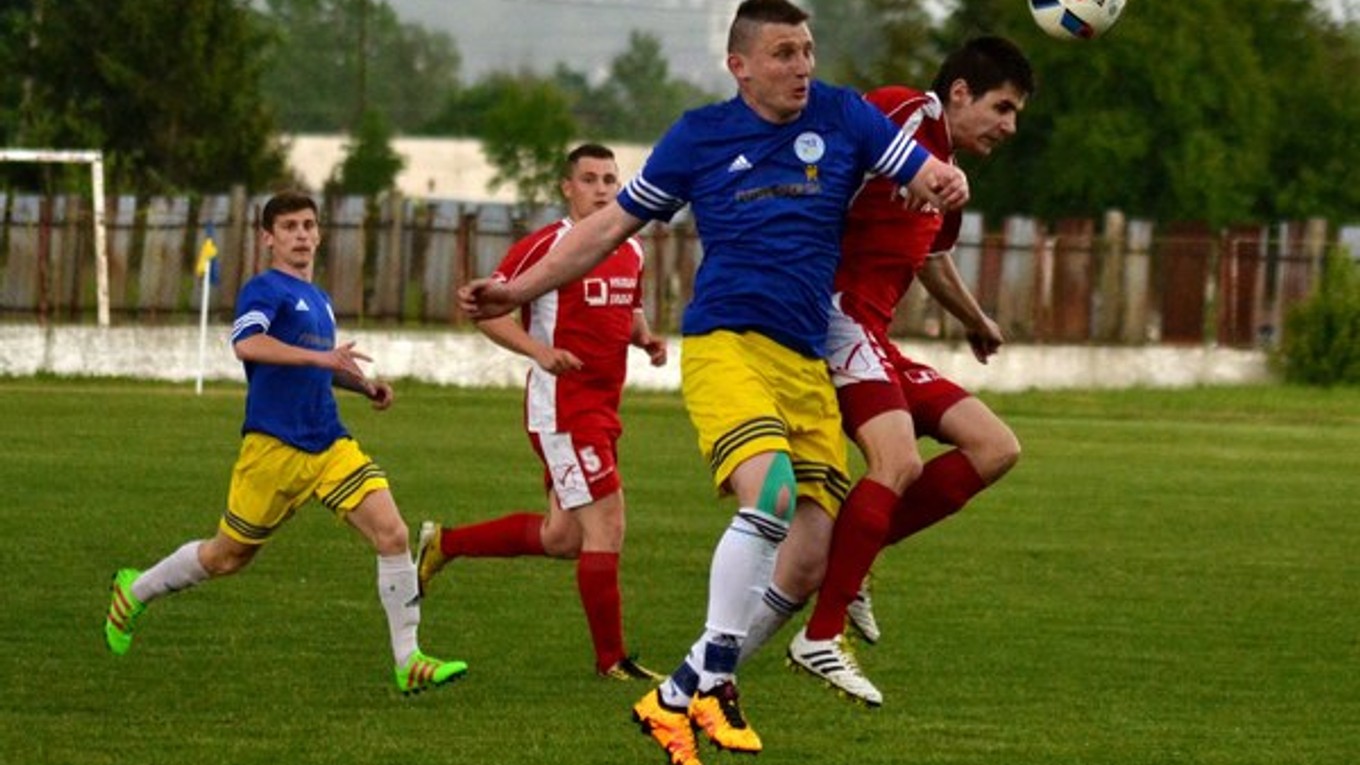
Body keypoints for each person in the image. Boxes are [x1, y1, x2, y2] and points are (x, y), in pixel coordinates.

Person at [459, 2, 969, 762]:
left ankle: (674, 696)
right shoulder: (700, 136)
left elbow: (920, 167)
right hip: (727, 344)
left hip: (805, 360)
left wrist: (944, 180)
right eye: (784, 53)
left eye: (808, 51)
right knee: (769, 493)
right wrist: (515, 290)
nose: (802, 67)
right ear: (740, 66)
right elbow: (606, 228)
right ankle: (716, 683)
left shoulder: (844, 115)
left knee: (811, 549)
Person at [738, 36, 1032, 707]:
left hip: (872, 335)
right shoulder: (903, 113)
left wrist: (975, 318)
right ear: (959, 93)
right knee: (896, 461)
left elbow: (929, 257)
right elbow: (827, 145)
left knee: (994, 447)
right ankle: (821, 633)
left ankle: (852, 558)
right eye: (1003, 108)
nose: (1010, 126)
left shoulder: (948, 176)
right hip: (830, 315)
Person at [103, 190, 468, 696]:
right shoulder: (264, 289)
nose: (301, 235)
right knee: (228, 556)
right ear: (268, 238)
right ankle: (136, 590)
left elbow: (314, 364)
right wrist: (322, 358)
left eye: (308, 225)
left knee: (393, 534)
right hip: (273, 447)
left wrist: (361, 385)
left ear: (319, 234)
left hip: (328, 441)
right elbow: (247, 344)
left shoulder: (318, 299)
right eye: (290, 227)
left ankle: (409, 661)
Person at [415, 143, 668, 681]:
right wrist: (538, 351)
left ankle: (445, 543)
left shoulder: (630, 246)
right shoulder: (545, 247)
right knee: (608, 524)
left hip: (603, 406)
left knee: (563, 538)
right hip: (564, 409)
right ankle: (612, 661)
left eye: (610, 180)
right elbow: (487, 311)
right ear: (567, 188)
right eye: (590, 179)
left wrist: (645, 339)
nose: (602, 190)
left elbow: (627, 308)